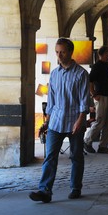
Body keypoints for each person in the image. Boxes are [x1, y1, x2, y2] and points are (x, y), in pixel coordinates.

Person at [29, 38, 89, 203]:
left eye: (62, 52)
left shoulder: (81, 74)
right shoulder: (54, 74)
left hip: (74, 121)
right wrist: (47, 121)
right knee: (50, 156)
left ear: (70, 52)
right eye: (56, 52)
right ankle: (45, 190)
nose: (59, 55)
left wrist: (80, 121)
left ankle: (75, 187)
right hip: (56, 121)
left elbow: (84, 100)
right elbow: (52, 99)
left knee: (76, 156)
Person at [83, 46, 108, 154]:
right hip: (101, 97)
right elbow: (90, 81)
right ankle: (87, 141)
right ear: (101, 54)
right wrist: (94, 94)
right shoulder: (97, 66)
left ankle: (103, 146)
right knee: (100, 121)